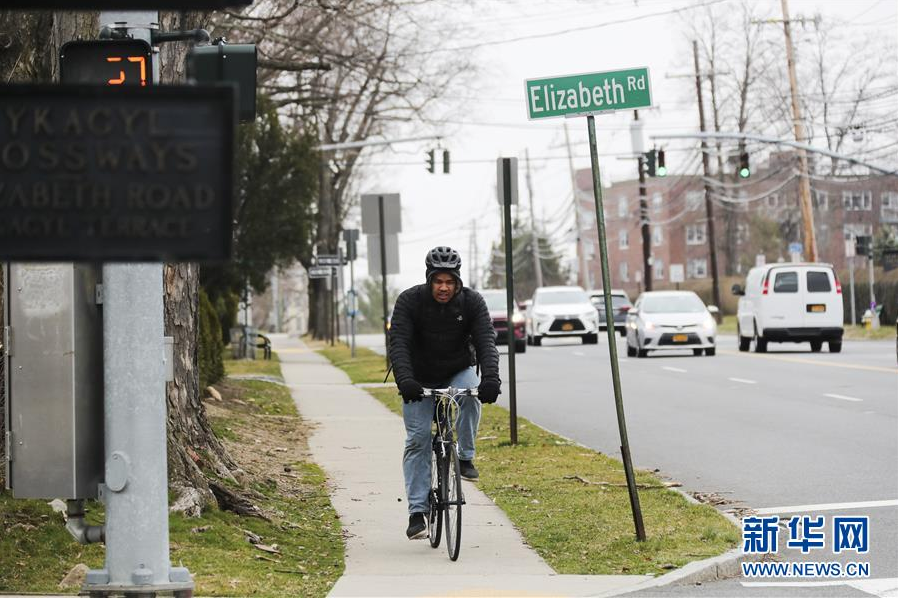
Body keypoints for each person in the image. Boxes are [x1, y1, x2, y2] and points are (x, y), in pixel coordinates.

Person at [388, 246, 501, 540]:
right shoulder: (410, 301)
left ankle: (464, 456)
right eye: (438, 281)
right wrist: (405, 381)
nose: (444, 287)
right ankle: (417, 512)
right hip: (418, 375)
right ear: (429, 279)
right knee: (418, 439)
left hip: (456, 368)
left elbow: (486, 340)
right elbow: (398, 343)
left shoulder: (472, 302)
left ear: (457, 281)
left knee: (470, 394)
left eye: (449, 282)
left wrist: (490, 379)